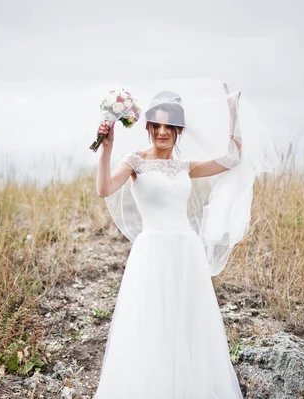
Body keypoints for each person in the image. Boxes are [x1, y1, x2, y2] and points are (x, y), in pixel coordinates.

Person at [92, 86, 253, 398]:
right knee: (151, 326)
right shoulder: (135, 161)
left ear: (178, 131)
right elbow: (105, 188)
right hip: (152, 253)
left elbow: (233, 158)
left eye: (170, 127)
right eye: (157, 126)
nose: (163, 132)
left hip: (185, 251)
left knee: (187, 324)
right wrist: (106, 149)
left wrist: (233, 113)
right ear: (149, 127)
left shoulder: (185, 166)